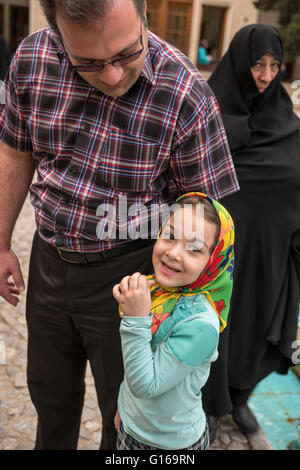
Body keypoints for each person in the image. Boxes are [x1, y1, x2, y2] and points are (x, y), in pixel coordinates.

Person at [0, 0, 239, 450]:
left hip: (134, 274)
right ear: (57, 34)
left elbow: (210, 218)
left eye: (127, 54)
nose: (111, 76)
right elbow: (15, 151)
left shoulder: (185, 92)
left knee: (123, 413)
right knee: (50, 398)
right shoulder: (31, 61)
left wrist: (196, 315)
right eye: (87, 62)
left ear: (143, 12)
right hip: (49, 262)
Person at [202, 24, 300, 439]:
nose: (265, 74)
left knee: (258, 326)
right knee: (210, 326)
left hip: (271, 252)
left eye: (274, 65)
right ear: (239, 62)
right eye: (257, 64)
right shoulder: (207, 115)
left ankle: (239, 399)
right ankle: (207, 403)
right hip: (217, 252)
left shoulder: (287, 121)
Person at [113, 193, 235, 450]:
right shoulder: (157, 290)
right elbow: (141, 357)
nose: (174, 253)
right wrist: (125, 407)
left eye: (194, 248)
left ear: (213, 261)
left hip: (171, 443)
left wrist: (136, 318)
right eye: (169, 236)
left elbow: (147, 385)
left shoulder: (201, 325)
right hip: (132, 426)